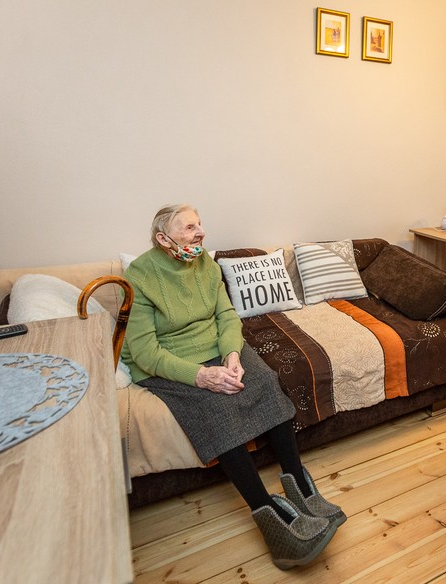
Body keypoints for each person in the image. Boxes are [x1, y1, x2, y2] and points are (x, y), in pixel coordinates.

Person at [121, 204, 346, 569]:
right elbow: (145, 351)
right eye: (189, 227)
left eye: (200, 224)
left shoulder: (205, 264)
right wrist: (200, 375)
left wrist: (231, 354)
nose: (200, 232)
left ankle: (302, 490)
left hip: (217, 347)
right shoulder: (140, 276)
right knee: (218, 410)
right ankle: (271, 517)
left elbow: (226, 315)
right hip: (172, 363)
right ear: (164, 238)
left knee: (268, 383)